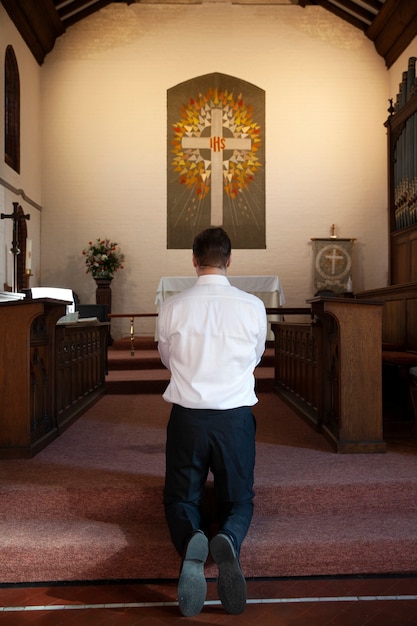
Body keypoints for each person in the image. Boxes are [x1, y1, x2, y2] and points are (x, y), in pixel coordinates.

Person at [157, 227, 267, 617]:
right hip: (235, 417)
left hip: (188, 417)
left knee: (181, 497)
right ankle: (228, 537)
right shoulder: (252, 305)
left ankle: (192, 540)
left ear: (193, 260)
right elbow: (255, 356)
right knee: (238, 498)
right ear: (229, 260)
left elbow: (167, 358)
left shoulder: (173, 305)